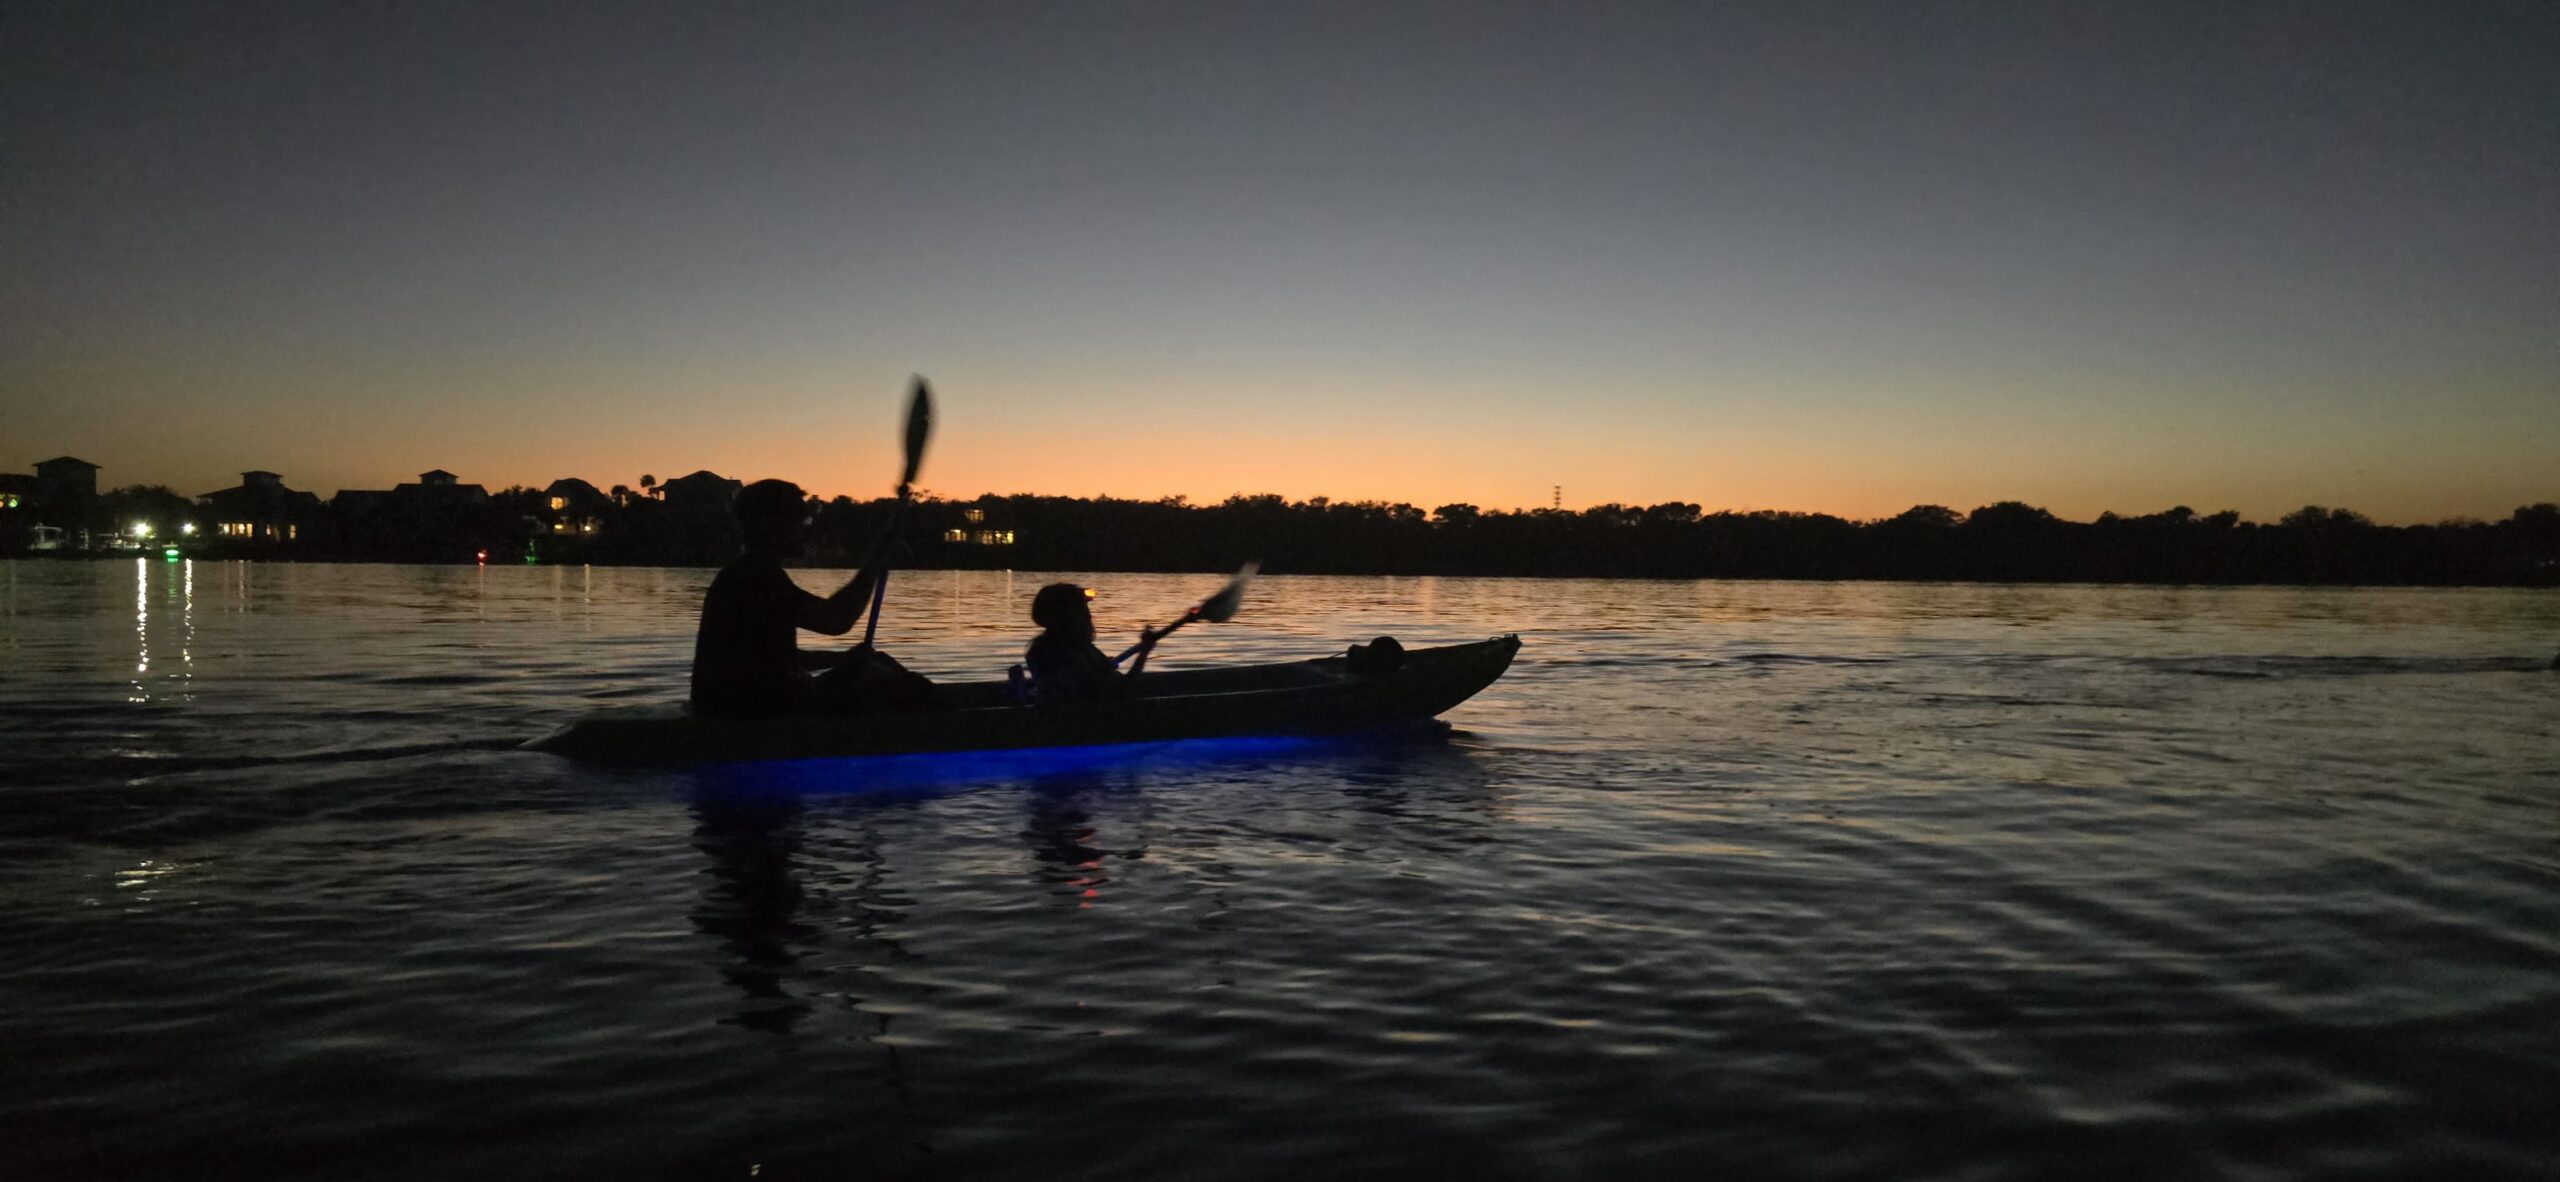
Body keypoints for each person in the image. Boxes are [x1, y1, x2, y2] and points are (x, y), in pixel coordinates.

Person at [690, 479, 933, 718]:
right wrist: (876, 560)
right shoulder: (755, 577)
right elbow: (836, 620)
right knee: (897, 682)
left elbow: (779, 659)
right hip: (756, 711)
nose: (807, 529)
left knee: (874, 664)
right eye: (801, 520)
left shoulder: (750, 573)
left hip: (748, 704)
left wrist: (844, 658)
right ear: (772, 525)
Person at [1022, 582, 1159, 704]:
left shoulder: (1043, 647)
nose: (1089, 615)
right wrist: (1143, 654)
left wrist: (1102, 667)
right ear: (1068, 615)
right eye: (1081, 609)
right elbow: (1122, 692)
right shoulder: (1067, 654)